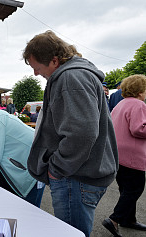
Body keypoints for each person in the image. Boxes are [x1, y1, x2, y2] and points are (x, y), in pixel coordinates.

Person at [23, 30, 118, 237]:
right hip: (80, 175)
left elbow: (81, 134)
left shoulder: (70, 78)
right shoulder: (75, 75)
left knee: (69, 234)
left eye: (36, 67)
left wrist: (56, 168)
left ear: (54, 60)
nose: (35, 74)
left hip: (75, 177)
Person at [102, 74, 146, 237]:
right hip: (132, 154)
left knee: (126, 188)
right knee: (135, 188)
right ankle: (115, 219)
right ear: (140, 91)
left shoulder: (121, 104)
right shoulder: (139, 104)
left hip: (117, 153)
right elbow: (138, 129)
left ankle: (129, 219)